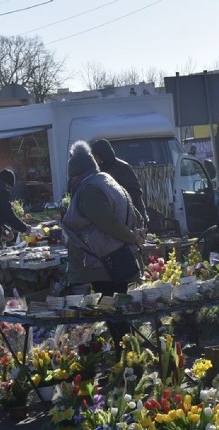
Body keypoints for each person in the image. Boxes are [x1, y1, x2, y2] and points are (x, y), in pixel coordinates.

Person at [62, 141, 145, 349]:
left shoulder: (89, 188)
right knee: (117, 312)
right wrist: (135, 234)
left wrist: (131, 237)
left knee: (113, 314)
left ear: (76, 173)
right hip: (115, 258)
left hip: (104, 262)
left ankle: (127, 358)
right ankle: (127, 357)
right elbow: (132, 211)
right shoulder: (107, 181)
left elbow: (107, 222)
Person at [90, 139, 149, 227]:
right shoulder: (99, 171)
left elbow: (135, 192)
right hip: (116, 218)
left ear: (101, 156)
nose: (95, 159)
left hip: (132, 216)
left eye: (95, 156)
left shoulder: (123, 168)